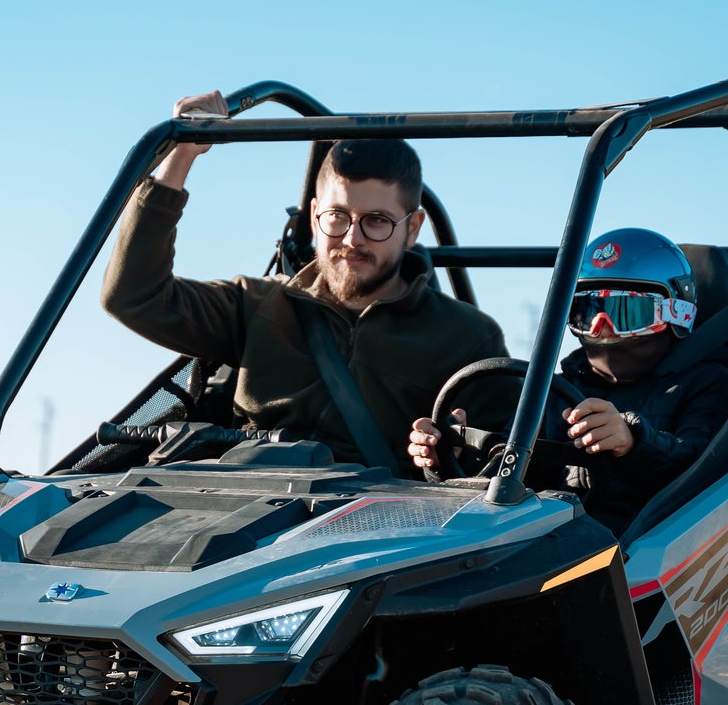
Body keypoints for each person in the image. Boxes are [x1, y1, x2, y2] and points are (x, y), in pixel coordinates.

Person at [101, 90, 512, 472]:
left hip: (384, 531)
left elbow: (508, 469)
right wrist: (182, 153)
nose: (352, 239)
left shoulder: (467, 338)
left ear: (413, 227)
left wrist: (452, 453)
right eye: (337, 217)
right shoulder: (257, 305)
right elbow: (133, 295)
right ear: (315, 215)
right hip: (241, 512)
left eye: (377, 221)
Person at [408, 228, 728, 534]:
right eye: (588, 311)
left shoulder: (709, 383)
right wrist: (450, 458)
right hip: (555, 543)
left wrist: (633, 443)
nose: (602, 327)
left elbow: (706, 476)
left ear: (676, 313)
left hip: (650, 554)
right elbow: (506, 480)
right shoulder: (553, 390)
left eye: (626, 313)